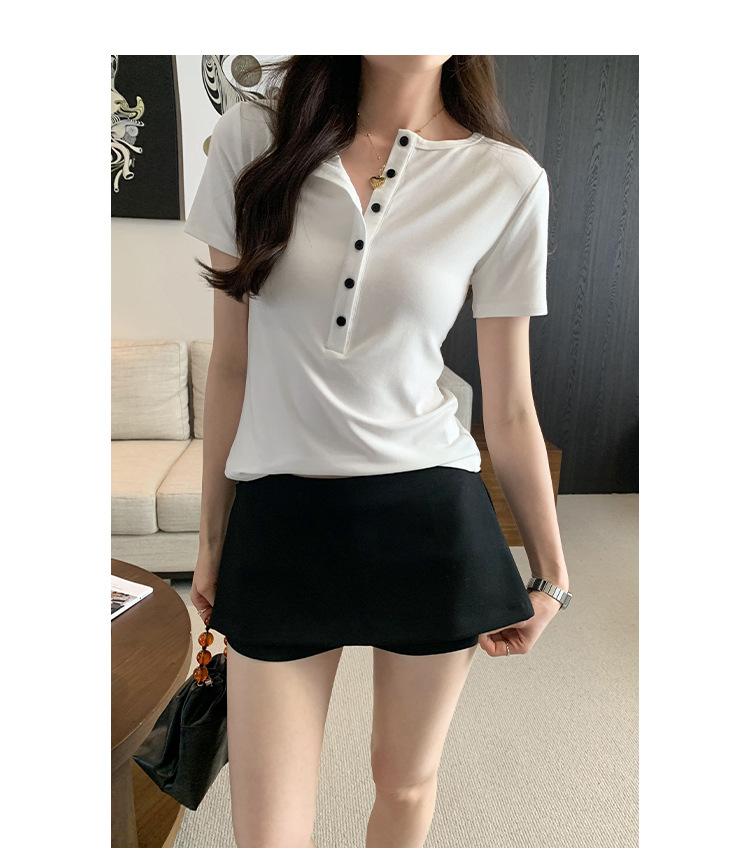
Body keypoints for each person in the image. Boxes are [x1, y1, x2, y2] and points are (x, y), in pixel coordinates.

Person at [184, 55, 572, 849]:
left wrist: (552, 575)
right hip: (281, 516)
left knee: (405, 780)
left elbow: (510, 406)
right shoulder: (253, 138)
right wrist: (212, 539)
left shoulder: (506, 180)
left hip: (430, 516)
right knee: (266, 832)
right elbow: (232, 365)